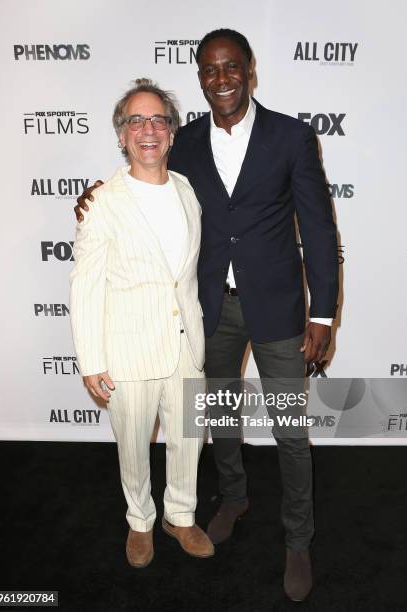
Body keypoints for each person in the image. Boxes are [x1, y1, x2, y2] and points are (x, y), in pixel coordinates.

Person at [75, 30, 338, 601]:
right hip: (209, 312)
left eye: (231, 67)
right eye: (210, 69)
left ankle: (298, 538)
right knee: (217, 419)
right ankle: (235, 498)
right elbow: (142, 182)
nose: (221, 78)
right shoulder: (184, 139)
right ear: (199, 77)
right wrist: (92, 195)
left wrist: (324, 315)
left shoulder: (292, 137)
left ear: (249, 70)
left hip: (280, 312)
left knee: (291, 431)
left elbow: (318, 229)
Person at [69, 78, 214, 569]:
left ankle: (181, 514)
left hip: (186, 345)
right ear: (122, 134)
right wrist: (91, 361)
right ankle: (140, 520)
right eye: (136, 120)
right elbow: (85, 286)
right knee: (132, 444)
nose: (147, 129)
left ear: (171, 134)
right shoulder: (103, 201)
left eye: (158, 120)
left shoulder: (187, 189)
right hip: (128, 350)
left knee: (188, 439)